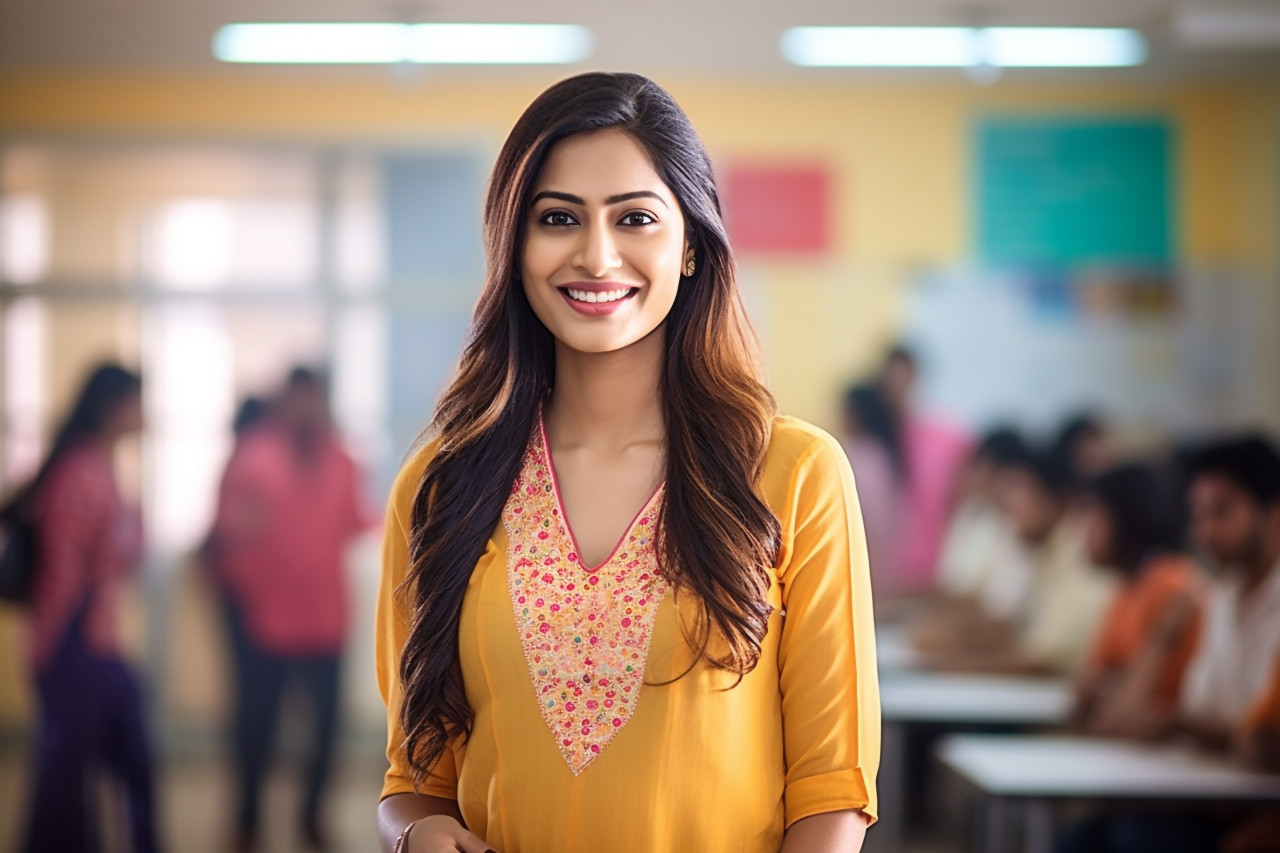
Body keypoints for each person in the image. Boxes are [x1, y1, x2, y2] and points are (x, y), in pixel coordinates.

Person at [375, 72, 879, 853]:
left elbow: (832, 789)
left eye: (635, 217)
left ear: (689, 246)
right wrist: (415, 833)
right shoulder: (440, 486)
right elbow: (414, 779)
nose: (596, 254)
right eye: (558, 218)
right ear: (515, 246)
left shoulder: (795, 472)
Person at [213, 368, 372, 851]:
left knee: (325, 728)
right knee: (255, 724)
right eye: (297, 399)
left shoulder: (344, 460)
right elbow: (226, 530)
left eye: (314, 399)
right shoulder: (254, 457)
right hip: (267, 617)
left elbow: (355, 523)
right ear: (285, 402)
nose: (306, 409)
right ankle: (247, 820)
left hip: (326, 617)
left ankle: (311, 818)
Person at [17, 364, 160, 853]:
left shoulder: (98, 466)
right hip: (77, 647)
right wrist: (51, 653)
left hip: (95, 645)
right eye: (137, 401)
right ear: (113, 406)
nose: (144, 413)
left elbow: (118, 558)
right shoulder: (81, 471)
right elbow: (64, 571)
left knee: (111, 764)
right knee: (66, 781)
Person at [1074, 463, 1203, 738]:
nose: (1083, 530)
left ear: (1125, 517)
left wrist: (1113, 689)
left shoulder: (1170, 582)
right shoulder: (1129, 586)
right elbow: (1085, 690)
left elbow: (1118, 718)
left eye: (1094, 515)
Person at [1177, 435, 1280, 749]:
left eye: (1221, 512)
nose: (1206, 531)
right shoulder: (1220, 593)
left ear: (1274, 513)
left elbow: (1263, 740)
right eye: (1198, 515)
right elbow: (1199, 707)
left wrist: (1174, 723)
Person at [876, 344, 971, 594]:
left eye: (904, 380)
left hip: (939, 569)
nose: (898, 390)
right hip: (887, 574)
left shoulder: (947, 437)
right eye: (892, 382)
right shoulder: (874, 446)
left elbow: (963, 499)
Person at [838, 383, 904, 597]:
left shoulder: (861, 456)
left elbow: (873, 519)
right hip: (884, 558)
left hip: (866, 556)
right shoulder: (882, 453)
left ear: (857, 415)